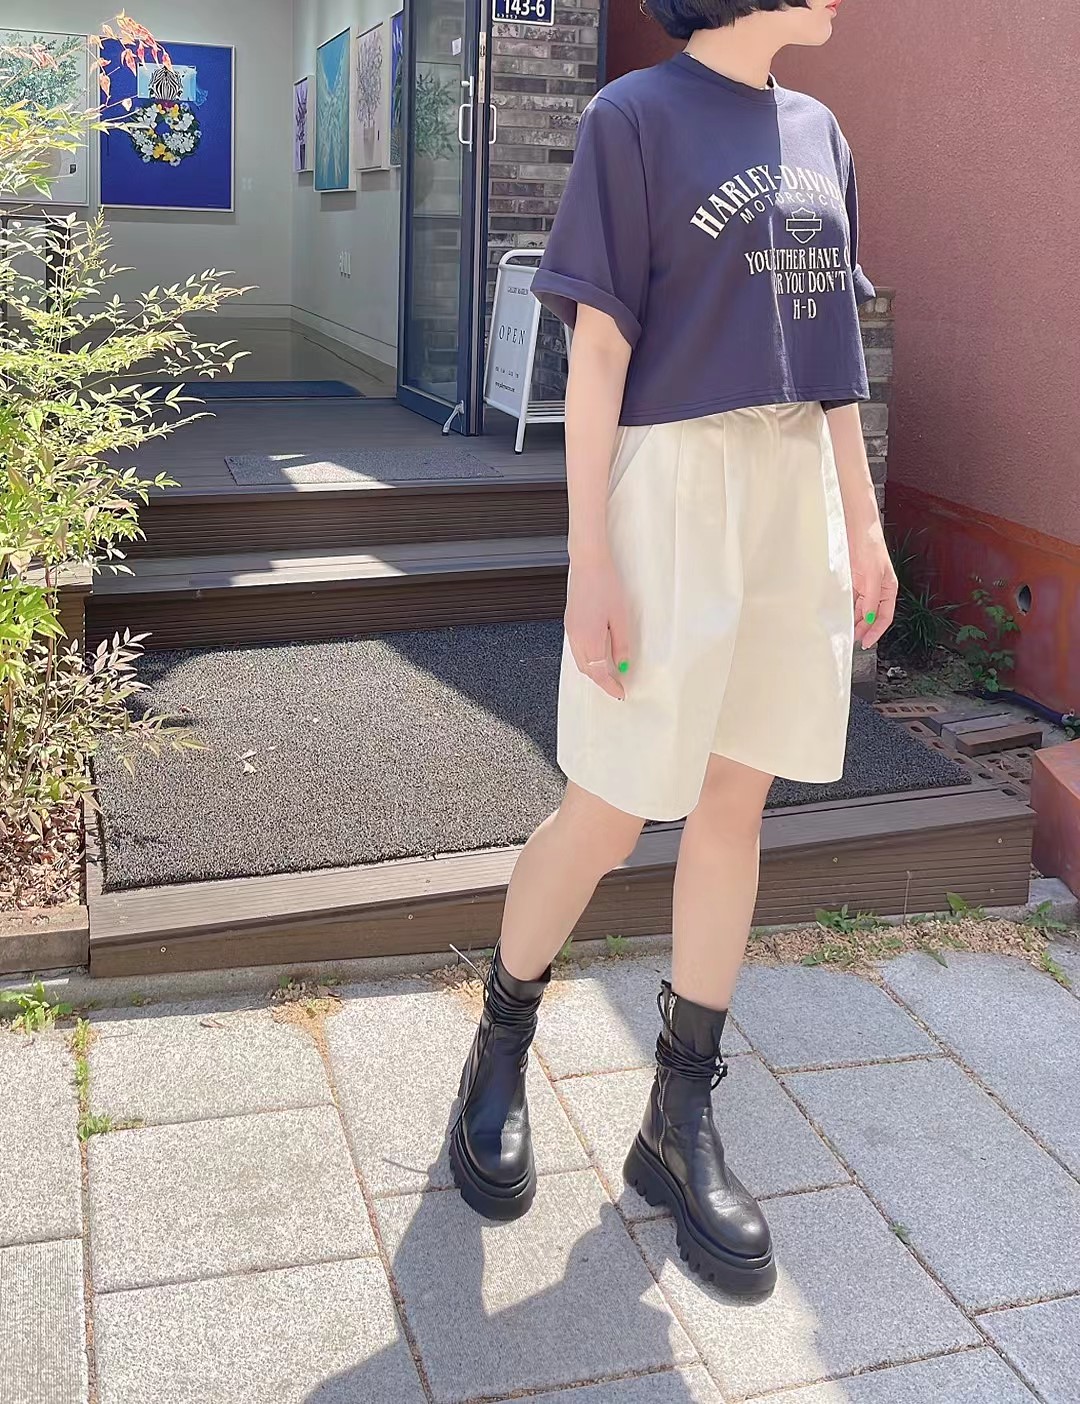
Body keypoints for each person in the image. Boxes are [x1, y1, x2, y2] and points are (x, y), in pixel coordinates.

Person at [449, 0, 897, 1295]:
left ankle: (678, 1114)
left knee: (734, 801)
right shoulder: (630, 119)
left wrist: (863, 522)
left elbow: (834, 358)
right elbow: (596, 354)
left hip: (788, 499)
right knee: (606, 807)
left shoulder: (823, 133)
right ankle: (501, 1039)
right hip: (673, 493)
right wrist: (590, 558)